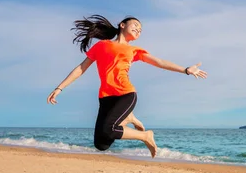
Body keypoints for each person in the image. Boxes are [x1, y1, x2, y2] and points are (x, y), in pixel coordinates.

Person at [46, 14, 207, 158]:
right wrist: (59, 88)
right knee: (101, 144)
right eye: (135, 25)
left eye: (141, 29)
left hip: (125, 94)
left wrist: (186, 70)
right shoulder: (102, 45)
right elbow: (81, 68)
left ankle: (146, 135)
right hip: (105, 97)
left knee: (109, 129)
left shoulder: (134, 50)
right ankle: (128, 117)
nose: (138, 29)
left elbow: (159, 62)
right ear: (122, 25)